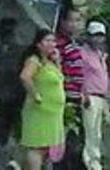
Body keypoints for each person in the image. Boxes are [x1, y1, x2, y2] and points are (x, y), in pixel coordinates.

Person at [18, 29, 65, 170]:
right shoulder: (34, 60)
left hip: (52, 111)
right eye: (47, 41)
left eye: (53, 41)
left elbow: (59, 78)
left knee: (46, 147)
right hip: (40, 110)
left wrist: (57, 62)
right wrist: (36, 94)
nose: (52, 44)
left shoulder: (49, 62)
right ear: (38, 44)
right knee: (36, 146)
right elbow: (25, 77)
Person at [79, 21, 110, 170]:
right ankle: (90, 161)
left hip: (101, 97)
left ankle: (95, 159)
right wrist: (83, 94)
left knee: (97, 131)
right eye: (95, 36)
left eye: (101, 36)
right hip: (90, 96)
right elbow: (80, 75)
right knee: (90, 130)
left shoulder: (99, 54)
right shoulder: (83, 53)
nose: (98, 39)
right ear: (89, 36)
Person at [53, 8, 85, 170]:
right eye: (72, 20)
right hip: (65, 98)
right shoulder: (59, 43)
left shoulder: (75, 44)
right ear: (63, 22)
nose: (75, 24)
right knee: (65, 141)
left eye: (78, 20)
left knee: (75, 140)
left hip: (77, 97)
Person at [0, 18, 24, 147]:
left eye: (11, 32)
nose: (8, 36)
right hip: (0, 101)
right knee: (0, 140)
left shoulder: (23, 52)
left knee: (18, 139)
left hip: (18, 101)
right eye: (5, 32)